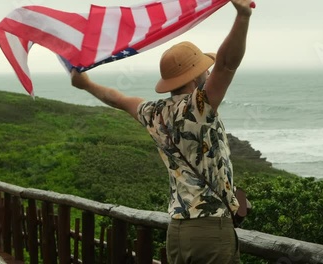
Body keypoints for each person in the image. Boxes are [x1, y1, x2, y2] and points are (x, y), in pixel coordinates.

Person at [70, 0, 252, 263]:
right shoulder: (200, 107)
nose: (209, 72)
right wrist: (243, 16)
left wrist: (85, 83)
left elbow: (118, 99)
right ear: (193, 77)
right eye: (204, 70)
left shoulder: (153, 113)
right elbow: (226, 65)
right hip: (210, 230)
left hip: (177, 231)